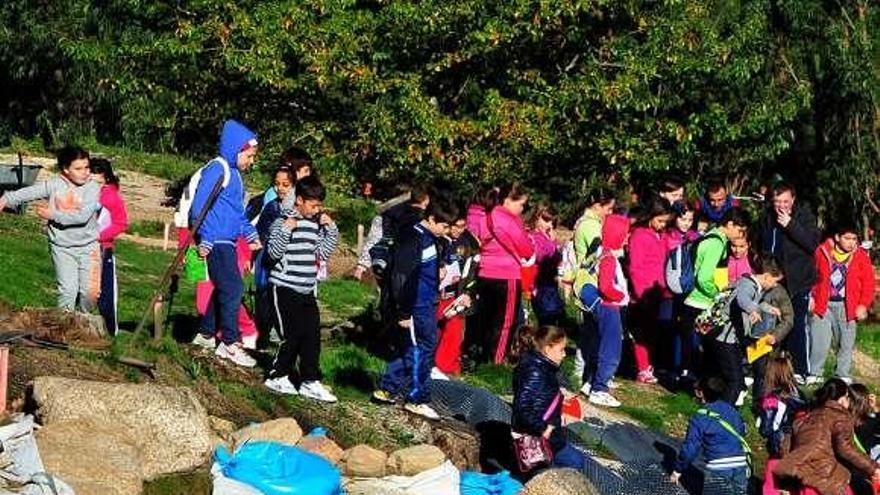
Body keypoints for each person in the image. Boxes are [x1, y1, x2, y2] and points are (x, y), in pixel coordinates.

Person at [373, 199, 457, 420]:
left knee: (413, 349)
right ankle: (417, 398)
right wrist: (403, 312)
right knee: (423, 350)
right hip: (415, 305)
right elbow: (403, 276)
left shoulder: (431, 239)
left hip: (426, 302)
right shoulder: (414, 238)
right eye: (445, 226)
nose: (448, 231)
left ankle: (387, 389)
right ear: (431, 219)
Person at [189, 120, 261, 368]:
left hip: (228, 241)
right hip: (216, 241)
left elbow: (237, 212)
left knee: (224, 288)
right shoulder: (218, 169)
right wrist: (205, 236)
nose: (251, 161)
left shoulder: (236, 176)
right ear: (236, 149)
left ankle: (206, 334)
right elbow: (200, 207)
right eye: (249, 156)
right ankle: (230, 342)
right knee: (232, 289)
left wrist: (249, 233)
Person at [264, 175, 340, 402]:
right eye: (313, 204)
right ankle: (278, 374)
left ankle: (310, 380)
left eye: (319, 205)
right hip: (284, 287)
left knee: (312, 335)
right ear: (299, 200)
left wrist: (331, 230)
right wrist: (287, 229)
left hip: (306, 289)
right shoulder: (281, 221)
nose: (317, 209)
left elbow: (321, 254)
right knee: (291, 334)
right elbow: (273, 253)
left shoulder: (313, 225)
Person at [0, 145, 101, 312]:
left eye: (87, 167)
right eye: (78, 168)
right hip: (62, 248)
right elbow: (30, 192)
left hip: (89, 247)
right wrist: (6, 199)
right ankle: (64, 327)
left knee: (90, 294)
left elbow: (82, 217)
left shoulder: (92, 188)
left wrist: (52, 215)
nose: (85, 172)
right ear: (66, 169)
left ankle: (84, 321)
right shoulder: (55, 185)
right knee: (68, 292)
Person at [773, 378, 880, 495]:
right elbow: (846, 449)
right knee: (863, 486)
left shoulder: (807, 416)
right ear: (843, 399)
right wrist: (874, 468)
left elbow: (786, 446)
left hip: (798, 471)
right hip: (824, 473)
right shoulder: (839, 416)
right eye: (847, 397)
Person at [511, 325, 590, 480]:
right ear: (548, 349)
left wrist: (560, 397)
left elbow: (540, 395)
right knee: (549, 474)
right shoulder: (534, 371)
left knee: (575, 462)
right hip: (536, 438)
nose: (565, 354)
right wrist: (543, 428)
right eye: (561, 350)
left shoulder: (544, 367)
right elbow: (522, 408)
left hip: (550, 436)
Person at [759, 181, 819, 382]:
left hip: (798, 280)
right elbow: (762, 243)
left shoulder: (804, 217)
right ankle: (770, 367)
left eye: (785, 201)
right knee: (770, 322)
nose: (781, 206)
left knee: (796, 324)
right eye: (777, 202)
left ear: (793, 200)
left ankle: (800, 370)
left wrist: (791, 225)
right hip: (773, 279)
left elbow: (811, 243)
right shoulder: (767, 217)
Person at [681, 209, 749, 382]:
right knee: (707, 351)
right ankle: (699, 386)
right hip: (701, 303)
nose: (740, 235)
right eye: (740, 230)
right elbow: (704, 278)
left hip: (694, 301)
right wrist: (719, 294)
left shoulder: (711, 235)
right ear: (731, 224)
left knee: (698, 348)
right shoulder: (716, 244)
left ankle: (696, 382)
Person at [471, 184, 535, 365]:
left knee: (486, 317)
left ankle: (481, 355)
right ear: (508, 200)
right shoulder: (510, 221)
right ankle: (497, 360)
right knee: (505, 322)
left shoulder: (485, 216)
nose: (522, 209)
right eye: (521, 204)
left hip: (484, 273)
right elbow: (526, 249)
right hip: (507, 275)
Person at [808, 224, 875, 385]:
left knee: (846, 341)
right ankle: (815, 373)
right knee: (819, 341)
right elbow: (811, 275)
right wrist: (810, 296)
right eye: (847, 238)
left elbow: (868, 282)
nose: (851, 242)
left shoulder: (860, 256)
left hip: (848, 306)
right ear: (837, 237)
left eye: (854, 239)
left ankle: (842, 375)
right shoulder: (822, 252)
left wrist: (863, 304)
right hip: (823, 304)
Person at [717, 257, 785, 405]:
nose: (774, 286)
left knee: (736, 379)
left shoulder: (753, 286)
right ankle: (722, 412)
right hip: (725, 338)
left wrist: (768, 308)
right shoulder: (748, 285)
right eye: (774, 281)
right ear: (766, 276)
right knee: (734, 381)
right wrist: (752, 310)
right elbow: (743, 299)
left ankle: (727, 406)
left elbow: (757, 302)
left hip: (731, 339)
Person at [669, 376, 750, 494]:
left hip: (719, 467)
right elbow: (742, 430)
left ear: (700, 393)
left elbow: (691, 448)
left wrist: (678, 470)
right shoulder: (731, 410)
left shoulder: (699, 417)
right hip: (741, 465)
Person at [571, 188, 616, 393]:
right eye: (608, 208)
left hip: (588, 280)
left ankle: (585, 374)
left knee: (590, 330)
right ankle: (586, 375)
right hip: (590, 282)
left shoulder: (589, 222)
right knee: (595, 332)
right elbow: (600, 249)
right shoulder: (590, 225)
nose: (610, 212)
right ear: (597, 205)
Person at [627, 198, 673, 384]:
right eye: (660, 221)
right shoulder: (639, 235)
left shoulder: (661, 236)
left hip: (659, 291)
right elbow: (635, 268)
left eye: (665, 222)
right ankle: (642, 367)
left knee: (653, 331)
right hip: (644, 292)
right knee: (642, 332)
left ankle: (648, 365)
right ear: (651, 216)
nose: (662, 225)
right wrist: (639, 293)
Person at [586, 214, 630, 408]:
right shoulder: (609, 258)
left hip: (602, 307)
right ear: (617, 235)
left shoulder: (602, 253)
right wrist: (620, 296)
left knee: (599, 344)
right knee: (611, 350)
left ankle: (591, 382)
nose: (627, 238)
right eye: (625, 234)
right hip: (609, 307)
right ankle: (599, 389)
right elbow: (605, 287)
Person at [248, 166, 294, 344]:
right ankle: (263, 331)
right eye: (277, 184)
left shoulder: (296, 210)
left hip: (285, 258)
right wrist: (252, 256)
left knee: (282, 294)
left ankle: (279, 329)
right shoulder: (271, 206)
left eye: (285, 184)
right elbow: (259, 233)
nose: (280, 188)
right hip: (265, 256)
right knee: (263, 293)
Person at [434, 213, 479, 377]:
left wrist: (468, 292)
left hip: (454, 295)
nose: (458, 230)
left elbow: (474, 272)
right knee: (433, 331)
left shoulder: (469, 244)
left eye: (462, 226)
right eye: (455, 226)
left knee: (453, 329)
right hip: (435, 294)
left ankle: (446, 367)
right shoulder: (437, 240)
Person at [90, 158, 128, 334]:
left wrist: (100, 236)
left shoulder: (112, 196)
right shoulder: (86, 192)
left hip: (103, 248)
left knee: (106, 291)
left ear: (105, 177)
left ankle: (111, 329)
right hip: (84, 246)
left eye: (96, 175)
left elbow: (121, 223)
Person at [756, 352, 805, 459]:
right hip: (801, 441)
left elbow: (766, 430)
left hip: (780, 445)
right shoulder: (799, 394)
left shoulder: (771, 399)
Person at [527, 203, 564, 326]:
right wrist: (552, 245)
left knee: (552, 319)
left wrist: (553, 242)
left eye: (552, 222)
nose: (549, 225)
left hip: (550, 284)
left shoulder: (547, 237)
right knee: (547, 321)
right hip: (540, 284)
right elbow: (541, 258)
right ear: (536, 217)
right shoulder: (532, 237)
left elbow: (558, 259)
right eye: (546, 220)